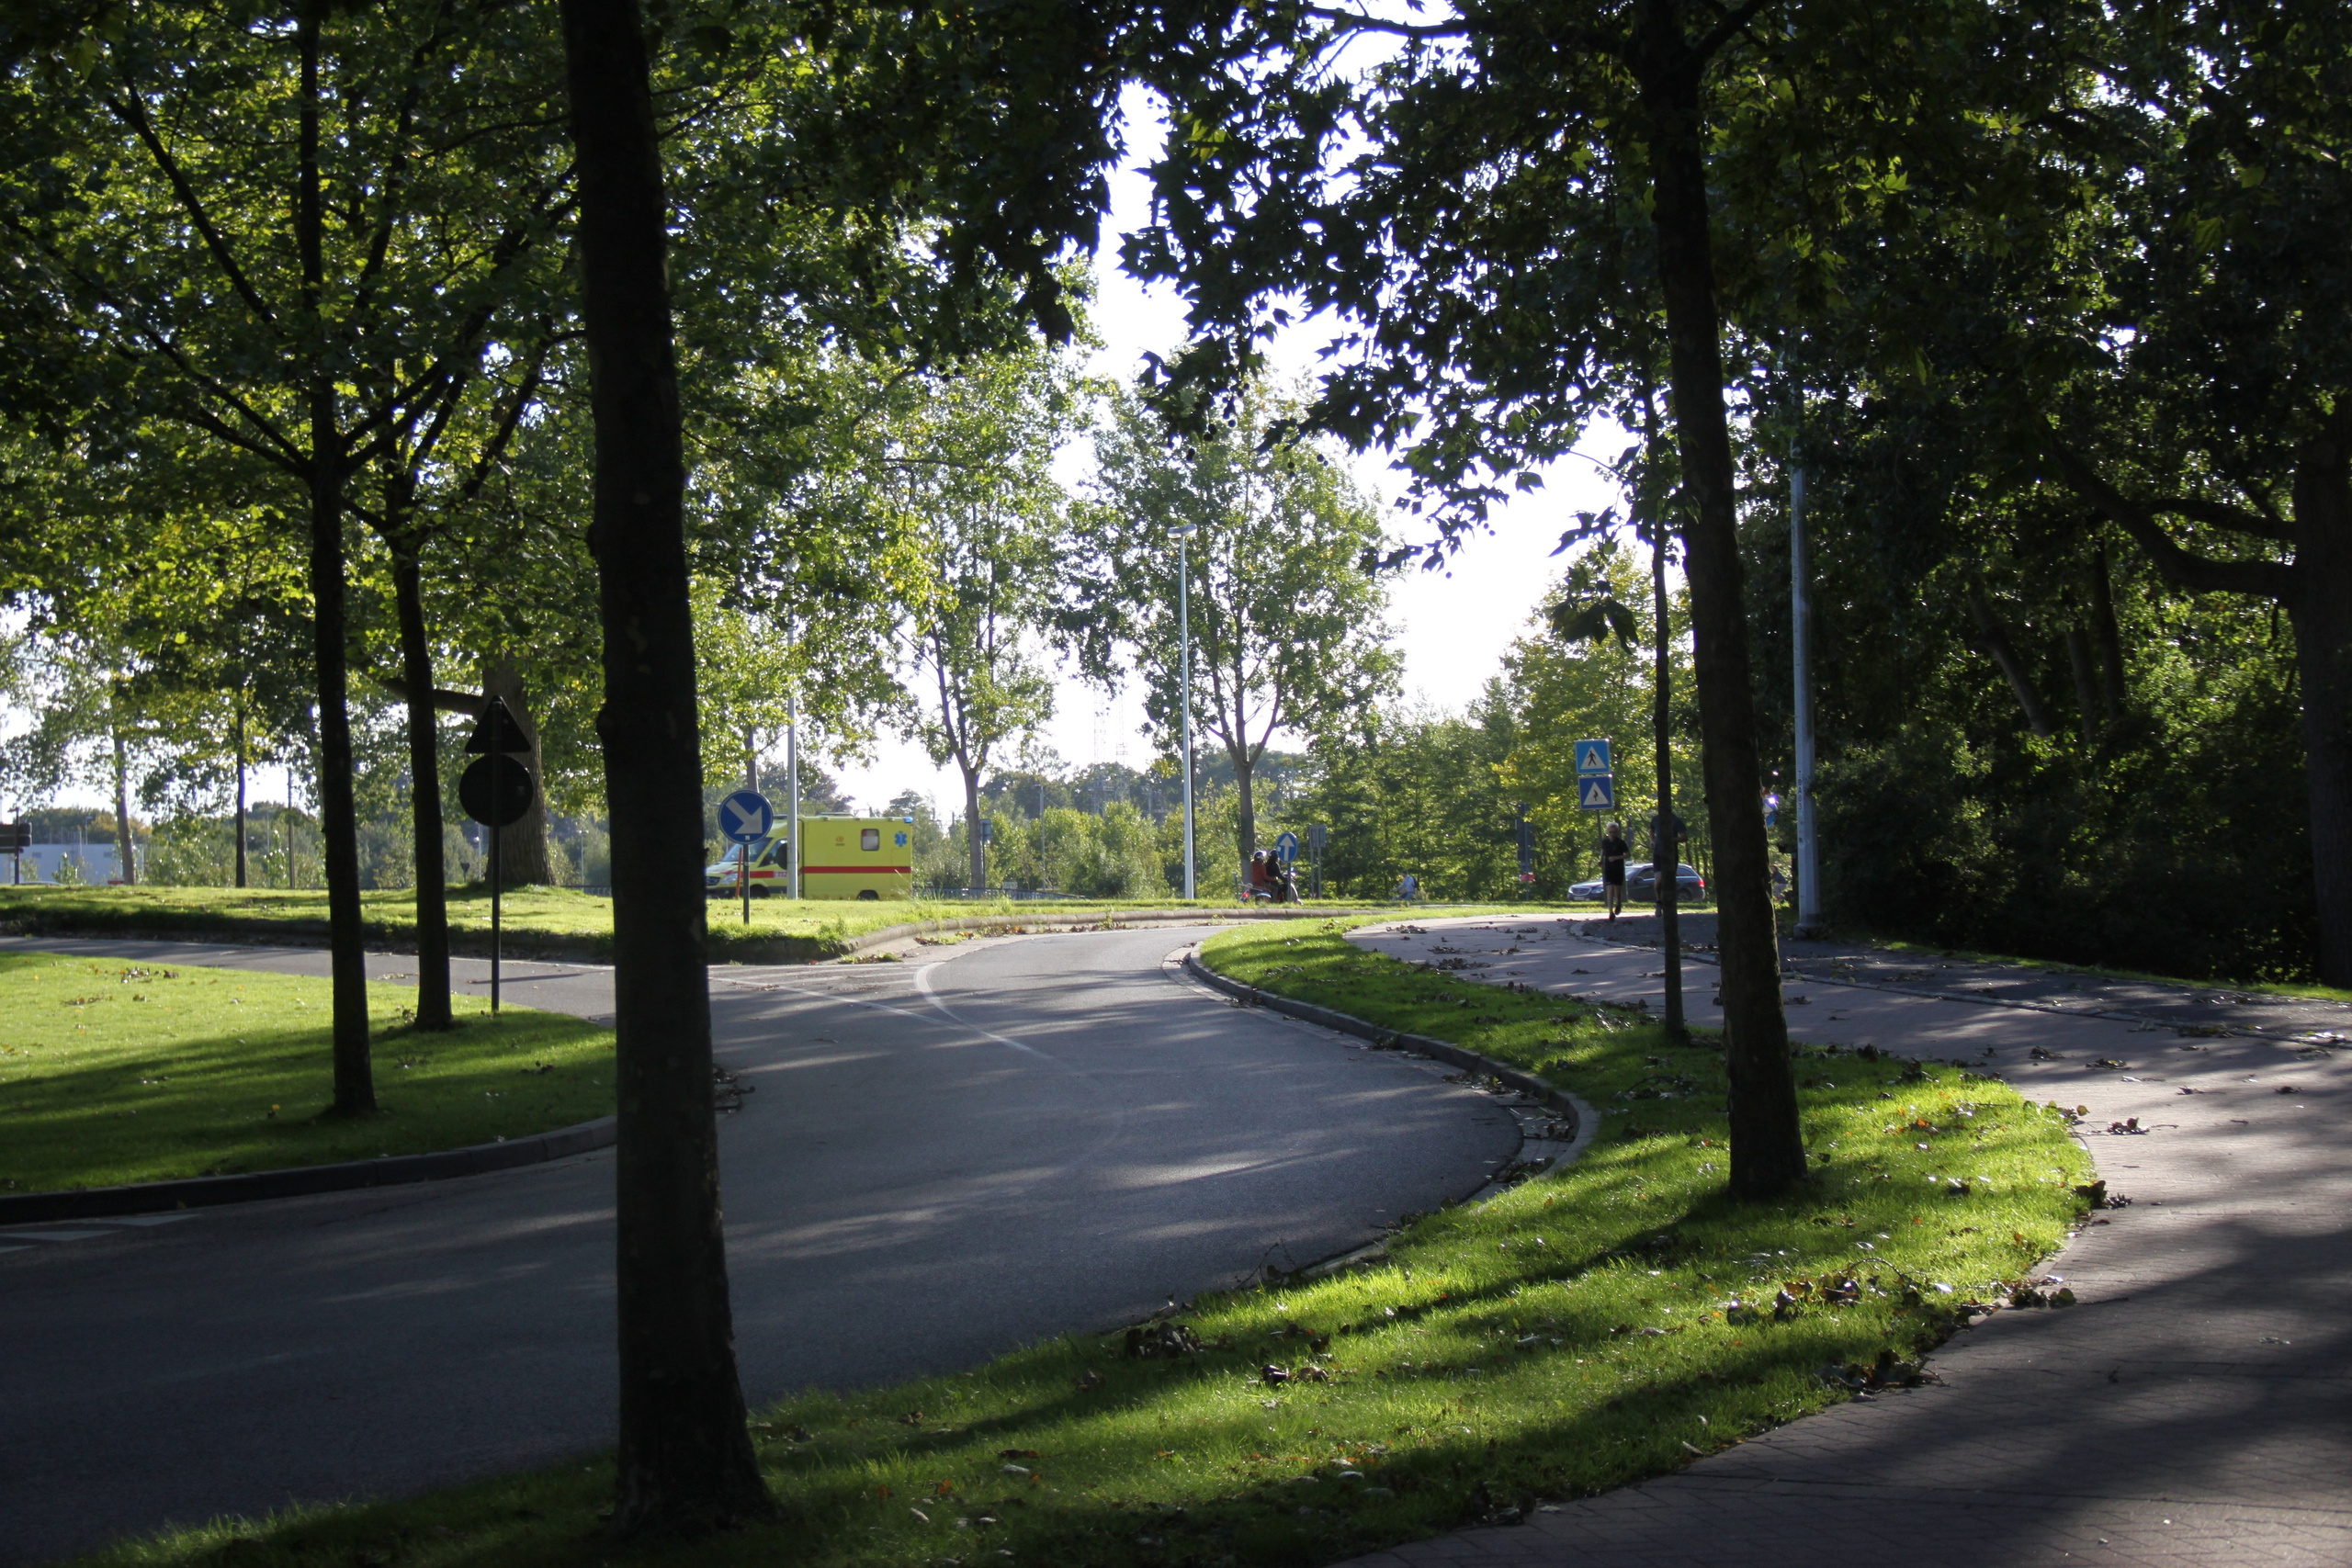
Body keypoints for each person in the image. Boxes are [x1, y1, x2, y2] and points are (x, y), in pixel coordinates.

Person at [1600, 820, 1630, 921]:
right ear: (1607, 832)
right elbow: (1603, 852)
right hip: (1608, 869)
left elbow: (1628, 855)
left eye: (1614, 832)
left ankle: (1619, 903)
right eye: (1610, 832)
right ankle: (1610, 912)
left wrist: (1616, 858)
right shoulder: (1605, 842)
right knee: (1610, 890)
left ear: (1617, 832)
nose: (1612, 834)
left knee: (1617, 891)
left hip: (1618, 869)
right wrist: (1600, 860)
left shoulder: (1621, 843)